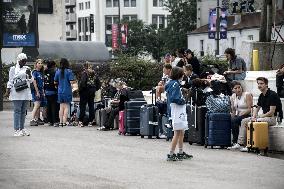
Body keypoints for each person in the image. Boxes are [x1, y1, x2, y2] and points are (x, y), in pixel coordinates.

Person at [236, 77, 282, 152]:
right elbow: (256, 108)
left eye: (261, 83)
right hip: (265, 117)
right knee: (244, 120)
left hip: (273, 118)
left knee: (255, 121)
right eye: (258, 83)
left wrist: (258, 117)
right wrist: (254, 116)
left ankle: (251, 145)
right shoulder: (261, 95)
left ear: (266, 84)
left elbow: (271, 112)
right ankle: (240, 143)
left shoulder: (272, 95)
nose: (259, 85)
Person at [165, 66, 193, 161]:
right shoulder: (175, 84)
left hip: (177, 110)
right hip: (177, 109)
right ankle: (171, 153)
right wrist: (183, 100)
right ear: (179, 75)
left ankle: (180, 152)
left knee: (181, 131)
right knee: (177, 132)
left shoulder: (174, 83)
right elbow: (174, 98)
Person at [5, 53, 31, 136]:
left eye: (25, 61)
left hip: (26, 92)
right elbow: (10, 80)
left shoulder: (27, 68)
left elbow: (31, 80)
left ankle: (22, 128)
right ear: (18, 60)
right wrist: (7, 91)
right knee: (17, 111)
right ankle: (16, 130)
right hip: (16, 92)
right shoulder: (13, 69)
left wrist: (29, 74)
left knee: (23, 111)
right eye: (23, 61)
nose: (24, 62)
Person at [228, 81, 253, 149]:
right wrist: (232, 116)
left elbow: (250, 109)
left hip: (248, 114)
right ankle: (232, 141)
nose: (238, 89)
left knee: (235, 120)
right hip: (239, 115)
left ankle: (236, 142)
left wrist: (242, 113)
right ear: (232, 89)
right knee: (231, 120)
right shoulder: (233, 96)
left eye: (239, 87)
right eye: (235, 88)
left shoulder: (247, 95)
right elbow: (233, 110)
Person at [54, 58, 76, 127]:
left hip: (60, 91)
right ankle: (64, 121)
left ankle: (60, 122)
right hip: (67, 91)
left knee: (61, 107)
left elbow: (55, 82)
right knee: (66, 107)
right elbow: (71, 81)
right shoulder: (69, 71)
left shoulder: (57, 71)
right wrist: (75, 81)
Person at [78, 62, 100, 127]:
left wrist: (81, 90)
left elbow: (82, 83)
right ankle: (91, 121)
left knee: (82, 106)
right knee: (91, 106)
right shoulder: (94, 74)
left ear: (85, 67)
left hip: (84, 92)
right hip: (92, 92)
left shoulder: (85, 73)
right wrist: (94, 89)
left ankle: (81, 121)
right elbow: (98, 84)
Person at [30, 59, 46, 126]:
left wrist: (42, 91)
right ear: (36, 64)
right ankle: (32, 119)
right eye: (38, 63)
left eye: (41, 63)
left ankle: (37, 118)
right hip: (36, 91)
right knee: (36, 105)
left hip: (40, 90)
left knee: (38, 106)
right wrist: (37, 92)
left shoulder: (41, 72)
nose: (40, 64)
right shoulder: (35, 72)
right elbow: (34, 82)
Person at [44, 60, 59, 127]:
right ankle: (55, 121)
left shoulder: (45, 72)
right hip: (53, 91)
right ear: (53, 65)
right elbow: (55, 81)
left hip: (47, 91)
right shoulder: (54, 72)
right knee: (54, 107)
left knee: (49, 106)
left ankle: (49, 121)